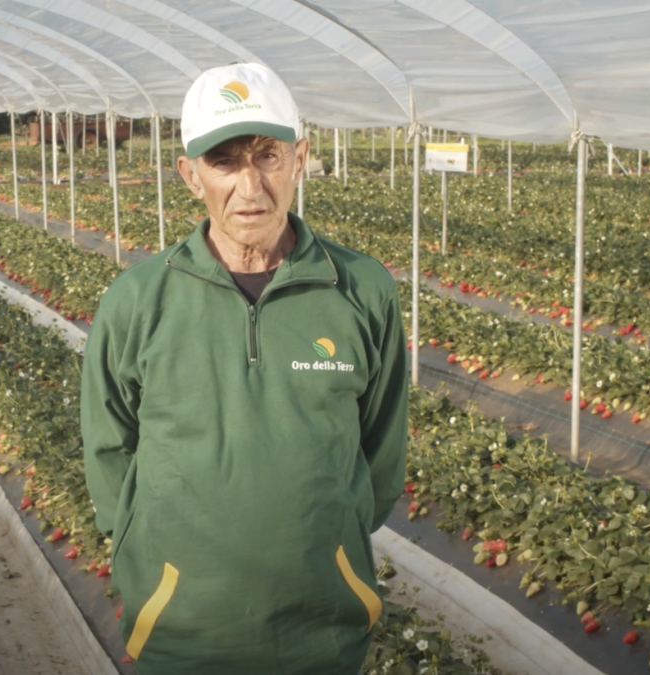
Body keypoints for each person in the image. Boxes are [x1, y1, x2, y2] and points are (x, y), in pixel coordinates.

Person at [81, 62, 408, 675]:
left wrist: (330, 547)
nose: (251, 186)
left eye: (268, 155)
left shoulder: (361, 289)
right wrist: (158, 572)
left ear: (301, 157)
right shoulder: (137, 300)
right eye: (225, 162)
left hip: (324, 633)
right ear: (189, 174)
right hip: (183, 634)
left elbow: (381, 450)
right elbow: (109, 449)